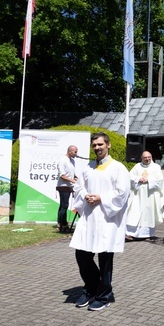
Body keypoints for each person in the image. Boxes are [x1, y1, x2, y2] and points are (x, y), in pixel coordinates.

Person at [69, 132, 130, 311]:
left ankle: (104, 296)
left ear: (108, 145)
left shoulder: (118, 168)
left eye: (100, 144)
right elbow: (79, 187)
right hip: (89, 217)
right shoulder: (88, 167)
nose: (97, 148)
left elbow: (122, 193)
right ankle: (92, 288)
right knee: (82, 254)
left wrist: (101, 198)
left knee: (105, 258)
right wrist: (85, 195)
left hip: (107, 219)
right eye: (94, 145)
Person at [125, 151, 164, 240]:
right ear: (141, 158)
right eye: (145, 158)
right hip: (138, 196)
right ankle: (131, 233)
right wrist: (138, 179)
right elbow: (129, 176)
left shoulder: (156, 167)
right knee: (134, 213)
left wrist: (148, 180)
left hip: (150, 196)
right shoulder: (137, 166)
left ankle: (147, 234)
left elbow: (160, 180)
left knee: (148, 215)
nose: (147, 159)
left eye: (149, 157)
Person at [56, 145, 78, 233]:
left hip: (70, 186)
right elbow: (62, 175)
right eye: (75, 152)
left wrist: (77, 178)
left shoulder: (72, 161)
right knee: (64, 205)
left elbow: (72, 173)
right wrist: (72, 180)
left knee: (65, 205)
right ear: (70, 151)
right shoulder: (63, 160)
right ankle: (61, 224)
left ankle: (63, 224)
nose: (76, 154)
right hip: (63, 186)